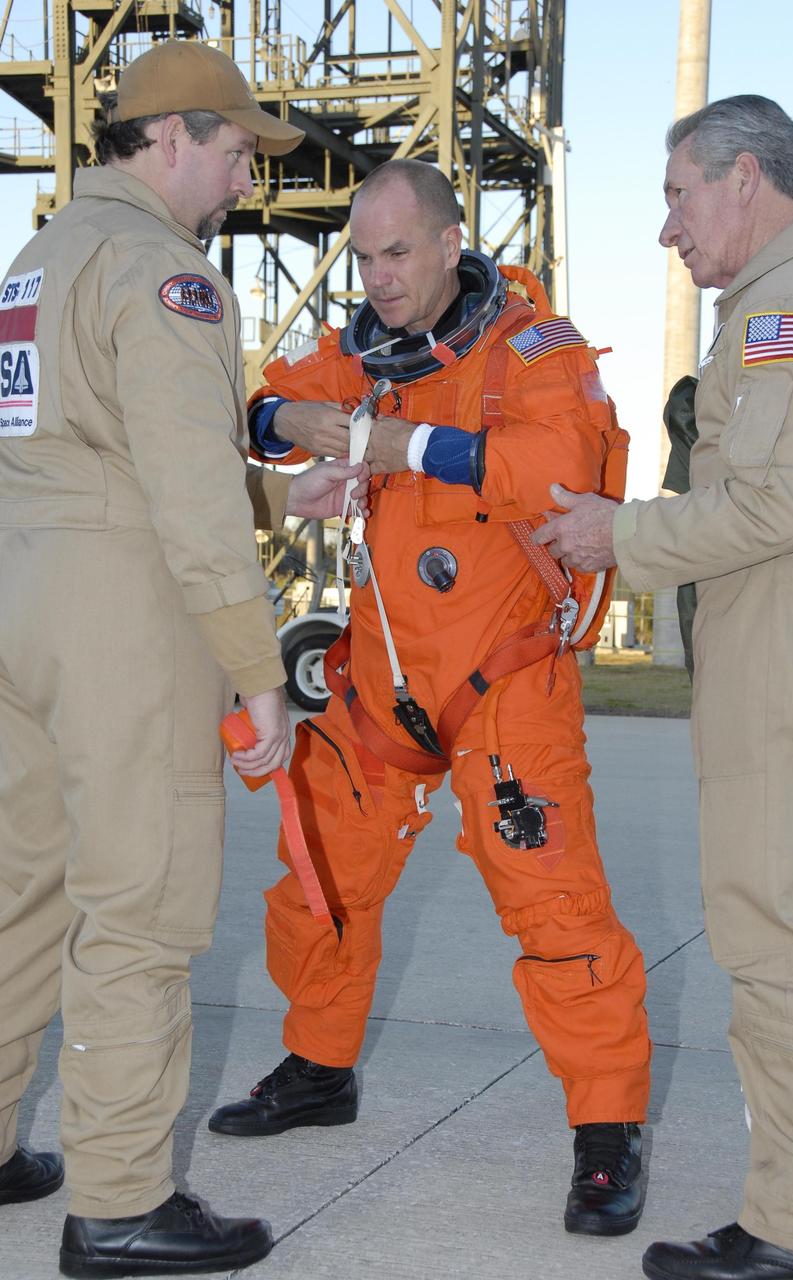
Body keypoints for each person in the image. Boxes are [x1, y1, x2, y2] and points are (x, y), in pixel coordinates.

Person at [207, 158, 653, 1238]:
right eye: (361, 257)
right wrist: (294, 433)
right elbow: (263, 404)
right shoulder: (359, 352)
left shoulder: (533, 349)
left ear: (452, 244)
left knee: (554, 905)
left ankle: (607, 1132)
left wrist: (400, 443)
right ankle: (318, 1064)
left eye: (396, 252)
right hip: (381, 685)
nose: (377, 276)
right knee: (317, 878)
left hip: (503, 683)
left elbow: (559, 467)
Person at [0, 38, 367, 1279]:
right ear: (168, 139)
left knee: (18, 889)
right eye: (229, 152)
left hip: (20, 600)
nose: (242, 182)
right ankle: (120, 1197)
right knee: (141, 908)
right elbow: (183, 499)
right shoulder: (167, 276)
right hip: (121, 620)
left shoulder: (37, 260)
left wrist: (276, 497)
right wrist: (256, 666)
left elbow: (86, 453)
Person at [533, 96, 793, 1279]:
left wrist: (621, 530)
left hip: (786, 653)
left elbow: (777, 501)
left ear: (746, 179)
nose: (666, 226)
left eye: (677, 194)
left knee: (781, 942)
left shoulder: (785, 306)